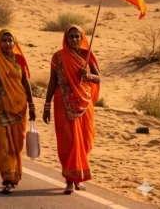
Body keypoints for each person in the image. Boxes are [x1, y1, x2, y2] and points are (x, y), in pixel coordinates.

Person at [42, 25, 101, 194]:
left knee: (85, 141)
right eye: (71, 37)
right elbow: (53, 81)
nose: (74, 39)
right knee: (67, 141)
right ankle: (69, 180)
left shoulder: (87, 55)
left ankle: (78, 178)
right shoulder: (58, 57)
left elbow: (98, 78)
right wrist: (46, 105)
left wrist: (89, 76)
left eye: (77, 36)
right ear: (65, 38)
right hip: (63, 103)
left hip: (84, 104)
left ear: (82, 37)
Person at [0, 29, 36, 194]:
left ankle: (16, 173)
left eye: (10, 40)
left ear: (15, 42)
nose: (7, 44)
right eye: (4, 40)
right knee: (3, 143)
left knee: (17, 143)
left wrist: (32, 105)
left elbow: (26, 84)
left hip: (19, 107)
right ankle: (7, 178)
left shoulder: (20, 60)